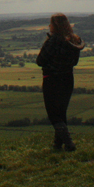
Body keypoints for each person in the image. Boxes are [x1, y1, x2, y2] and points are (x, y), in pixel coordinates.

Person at [36, 13, 85, 151]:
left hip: (52, 80)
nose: (49, 26)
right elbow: (74, 62)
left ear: (55, 25)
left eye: (50, 23)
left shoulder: (53, 41)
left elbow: (40, 61)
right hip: (68, 79)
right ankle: (57, 145)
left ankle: (68, 143)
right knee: (61, 112)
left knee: (53, 114)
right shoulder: (75, 41)